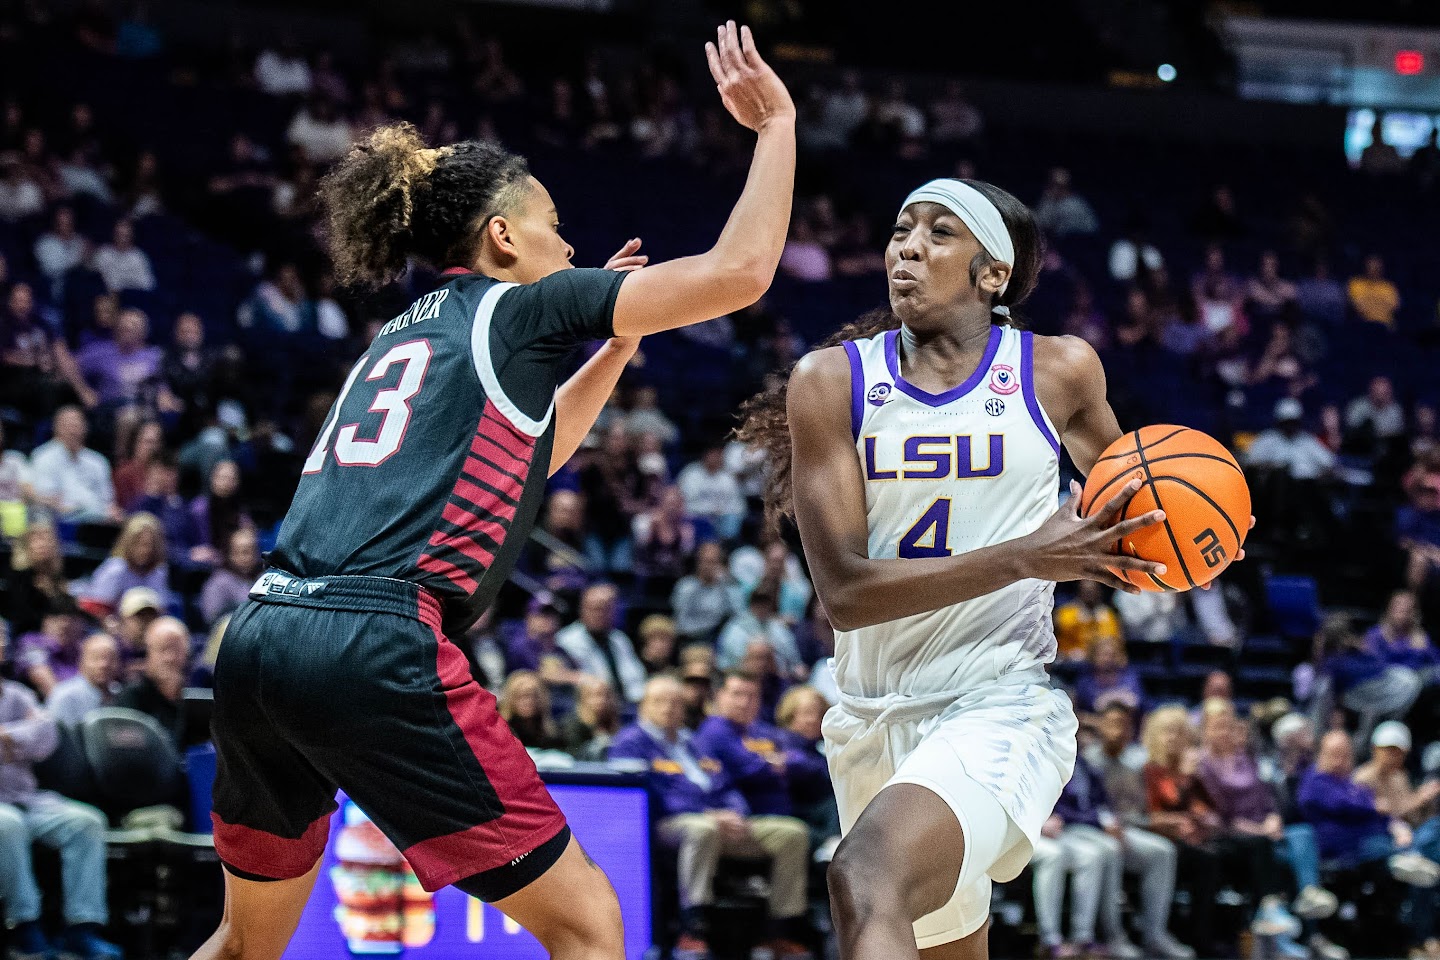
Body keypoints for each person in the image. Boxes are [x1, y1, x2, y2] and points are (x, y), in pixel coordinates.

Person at [195, 23, 797, 960]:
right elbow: (740, 274)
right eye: (554, 223)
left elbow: (523, 464)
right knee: (592, 925)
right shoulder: (521, 302)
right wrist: (776, 129)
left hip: (263, 635)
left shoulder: (405, 331)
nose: (570, 244)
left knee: (241, 944)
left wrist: (620, 346)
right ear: (503, 235)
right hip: (373, 641)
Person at [733, 173, 1245, 960]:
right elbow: (845, 595)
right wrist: (1026, 556)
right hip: (871, 716)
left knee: (864, 875)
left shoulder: (1060, 371)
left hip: (998, 702)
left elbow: (1140, 516)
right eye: (903, 228)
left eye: (940, 233)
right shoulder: (830, 382)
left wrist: (1195, 545)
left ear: (993, 274)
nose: (908, 246)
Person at [608, 676, 811, 959]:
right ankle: (693, 926)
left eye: (676, 702)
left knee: (791, 833)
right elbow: (647, 796)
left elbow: (724, 784)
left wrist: (734, 812)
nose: (668, 708)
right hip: (665, 824)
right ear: (643, 706)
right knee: (702, 829)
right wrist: (709, 814)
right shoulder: (630, 743)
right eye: (660, 701)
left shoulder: (692, 742)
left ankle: (778, 930)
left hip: (719, 823)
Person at [0, 623, 121, 960]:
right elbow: (33, 734)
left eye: (2, 639)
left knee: (86, 822)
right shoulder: (23, 702)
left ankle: (82, 929)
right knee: (7, 825)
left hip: (26, 796)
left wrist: (9, 738)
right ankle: (25, 926)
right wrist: (19, 738)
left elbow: (46, 737)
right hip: (4, 809)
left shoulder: (17, 694)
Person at [1041, 751, 1192, 959]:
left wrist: (1110, 820)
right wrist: (1100, 822)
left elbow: (1101, 799)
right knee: (1107, 850)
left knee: (1163, 851)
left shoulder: (1081, 759)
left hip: (1098, 824)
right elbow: (1057, 809)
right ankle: (1108, 937)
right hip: (1073, 827)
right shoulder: (1047, 756)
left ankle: (1155, 936)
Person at [555, 583, 647, 703]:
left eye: (607, 609)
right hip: (589, 704)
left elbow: (637, 677)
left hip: (629, 705)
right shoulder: (566, 640)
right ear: (582, 609)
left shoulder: (620, 639)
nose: (600, 614)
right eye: (595, 609)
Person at [29, 406, 121, 523]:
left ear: (85, 428)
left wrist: (111, 513)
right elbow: (45, 499)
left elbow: (108, 501)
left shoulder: (98, 461)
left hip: (99, 522)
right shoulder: (43, 457)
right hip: (63, 522)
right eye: (68, 425)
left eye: (77, 425)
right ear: (56, 428)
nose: (73, 431)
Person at [80, 511, 173, 615]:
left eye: (151, 545)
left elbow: (162, 609)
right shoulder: (115, 569)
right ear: (128, 542)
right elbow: (94, 606)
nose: (146, 550)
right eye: (140, 544)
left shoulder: (159, 572)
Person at [116, 615, 190, 742]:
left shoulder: (195, 692)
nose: (170, 658)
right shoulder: (132, 695)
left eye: (176, 649)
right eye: (163, 649)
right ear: (149, 652)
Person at [717, 587, 803, 676]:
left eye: (765, 603)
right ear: (751, 604)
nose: (761, 606)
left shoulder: (779, 628)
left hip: (776, 677)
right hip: (743, 675)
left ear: (770, 604)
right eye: (758, 602)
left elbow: (793, 659)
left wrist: (796, 668)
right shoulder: (736, 627)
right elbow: (727, 662)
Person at [671, 541, 743, 644]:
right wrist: (709, 626)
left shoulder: (726, 586)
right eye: (705, 561)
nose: (708, 566)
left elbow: (738, 614)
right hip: (690, 639)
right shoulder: (685, 586)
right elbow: (681, 623)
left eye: (713, 562)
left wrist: (725, 580)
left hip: (717, 639)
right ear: (698, 562)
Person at [47, 632, 122, 726]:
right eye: (95, 658)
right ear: (81, 662)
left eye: (110, 658)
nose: (104, 665)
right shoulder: (65, 696)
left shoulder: (121, 693)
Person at [676, 444, 746, 541]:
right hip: (697, 517)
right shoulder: (691, 473)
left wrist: (724, 512)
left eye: (718, 455)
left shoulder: (728, 477)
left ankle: (726, 546)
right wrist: (709, 511)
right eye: (712, 455)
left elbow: (738, 505)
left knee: (732, 520)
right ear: (705, 455)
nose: (715, 458)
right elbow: (684, 503)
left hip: (721, 519)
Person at [1053, 579, 1122, 661]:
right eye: (1086, 591)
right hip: (1068, 663)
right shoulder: (1065, 613)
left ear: (1099, 592)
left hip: (1099, 662)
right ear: (1079, 591)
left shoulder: (1109, 615)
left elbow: (1116, 641)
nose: (1090, 595)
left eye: (1092, 591)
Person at [558, 675, 620, 760]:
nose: (601, 701)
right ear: (582, 698)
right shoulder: (572, 727)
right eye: (595, 695)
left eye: (606, 695)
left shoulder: (614, 725)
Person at [498, 670, 563, 751]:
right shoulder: (501, 732)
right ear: (510, 699)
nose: (529, 701)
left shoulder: (553, 732)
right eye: (522, 696)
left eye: (534, 696)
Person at [1347, 254, 1400, 328]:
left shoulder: (1389, 286)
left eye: (1377, 266)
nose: (1374, 269)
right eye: (1371, 266)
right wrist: (1381, 302)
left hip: (1386, 326)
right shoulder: (1355, 283)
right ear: (1365, 267)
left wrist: (1369, 300)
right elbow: (1359, 308)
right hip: (1364, 325)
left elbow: (1394, 308)